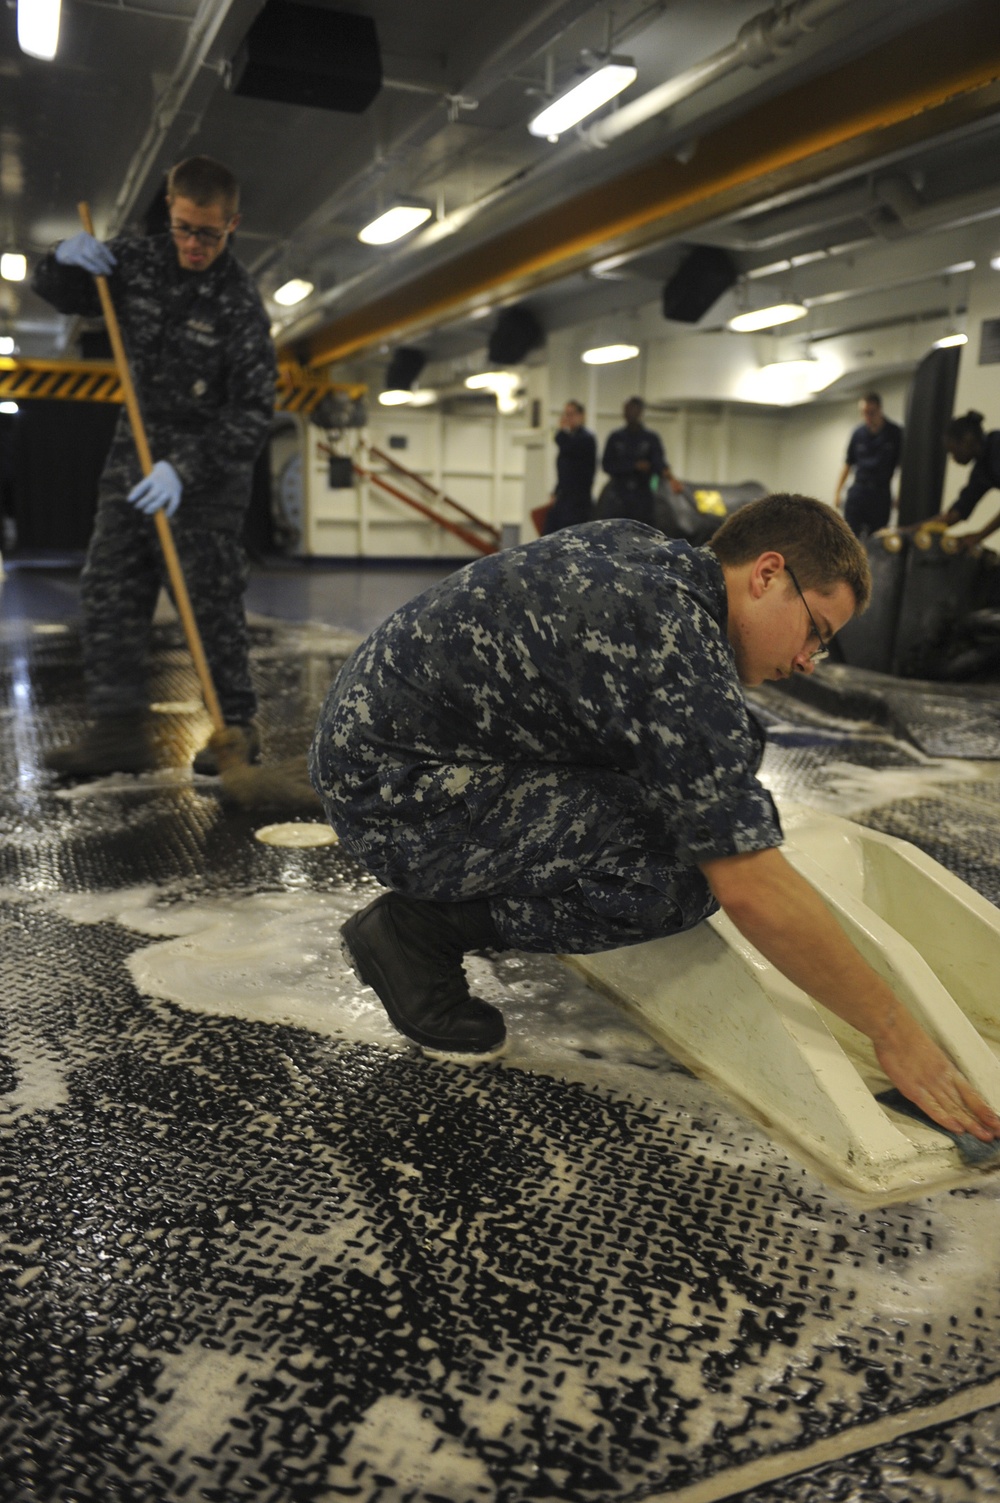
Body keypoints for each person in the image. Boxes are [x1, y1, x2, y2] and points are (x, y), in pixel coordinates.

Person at [310, 494, 1000, 1145]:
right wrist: (892, 1029)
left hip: (385, 753)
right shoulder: (670, 638)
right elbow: (750, 887)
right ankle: (416, 932)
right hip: (395, 801)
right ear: (767, 575)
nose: (806, 661)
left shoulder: (650, 559)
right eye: (815, 632)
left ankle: (454, 899)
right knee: (678, 876)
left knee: (719, 762)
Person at [32, 155, 276, 776]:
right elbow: (61, 293)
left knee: (210, 606)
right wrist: (61, 258)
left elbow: (252, 413)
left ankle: (235, 730)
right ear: (170, 210)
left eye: (209, 234)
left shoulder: (239, 304)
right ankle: (117, 732)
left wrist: (183, 470)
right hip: (132, 462)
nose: (194, 244)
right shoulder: (136, 262)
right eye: (185, 228)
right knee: (109, 588)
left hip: (207, 479)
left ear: (232, 225)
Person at [599, 396, 683, 527]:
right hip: (618, 497)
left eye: (633, 410)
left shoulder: (650, 438)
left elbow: (659, 464)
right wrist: (633, 466)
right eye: (627, 410)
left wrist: (672, 480)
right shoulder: (615, 438)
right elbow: (607, 465)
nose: (629, 413)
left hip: (642, 497)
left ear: (640, 412)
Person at [834, 391, 903, 539]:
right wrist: (838, 492)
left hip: (880, 493)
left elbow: (903, 467)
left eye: (871, 413)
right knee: (849, 537)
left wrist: (901, 493)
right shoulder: (858, 433)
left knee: (877, 538)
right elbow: (848, 464)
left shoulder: (895, 433)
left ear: (879, 410)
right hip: (859, 491)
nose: (867, 417)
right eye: (864, 413)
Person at [938, 410, 1000, 549]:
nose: (953, 459)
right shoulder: (981, 470)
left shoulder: (997, 446)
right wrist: (911, 530)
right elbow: (957, 513)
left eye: (953, 451)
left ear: (967, 440)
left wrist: (979, 536)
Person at [542, 400, 596, 533]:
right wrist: (556, 492)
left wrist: (561, 431)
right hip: (564, 497)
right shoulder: (570, 438)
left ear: (581, 416)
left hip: (578, 501)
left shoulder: (586, 438)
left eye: (571, 414)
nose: (566, 418)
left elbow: (565, 445)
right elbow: (565, 472)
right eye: (565, 414)